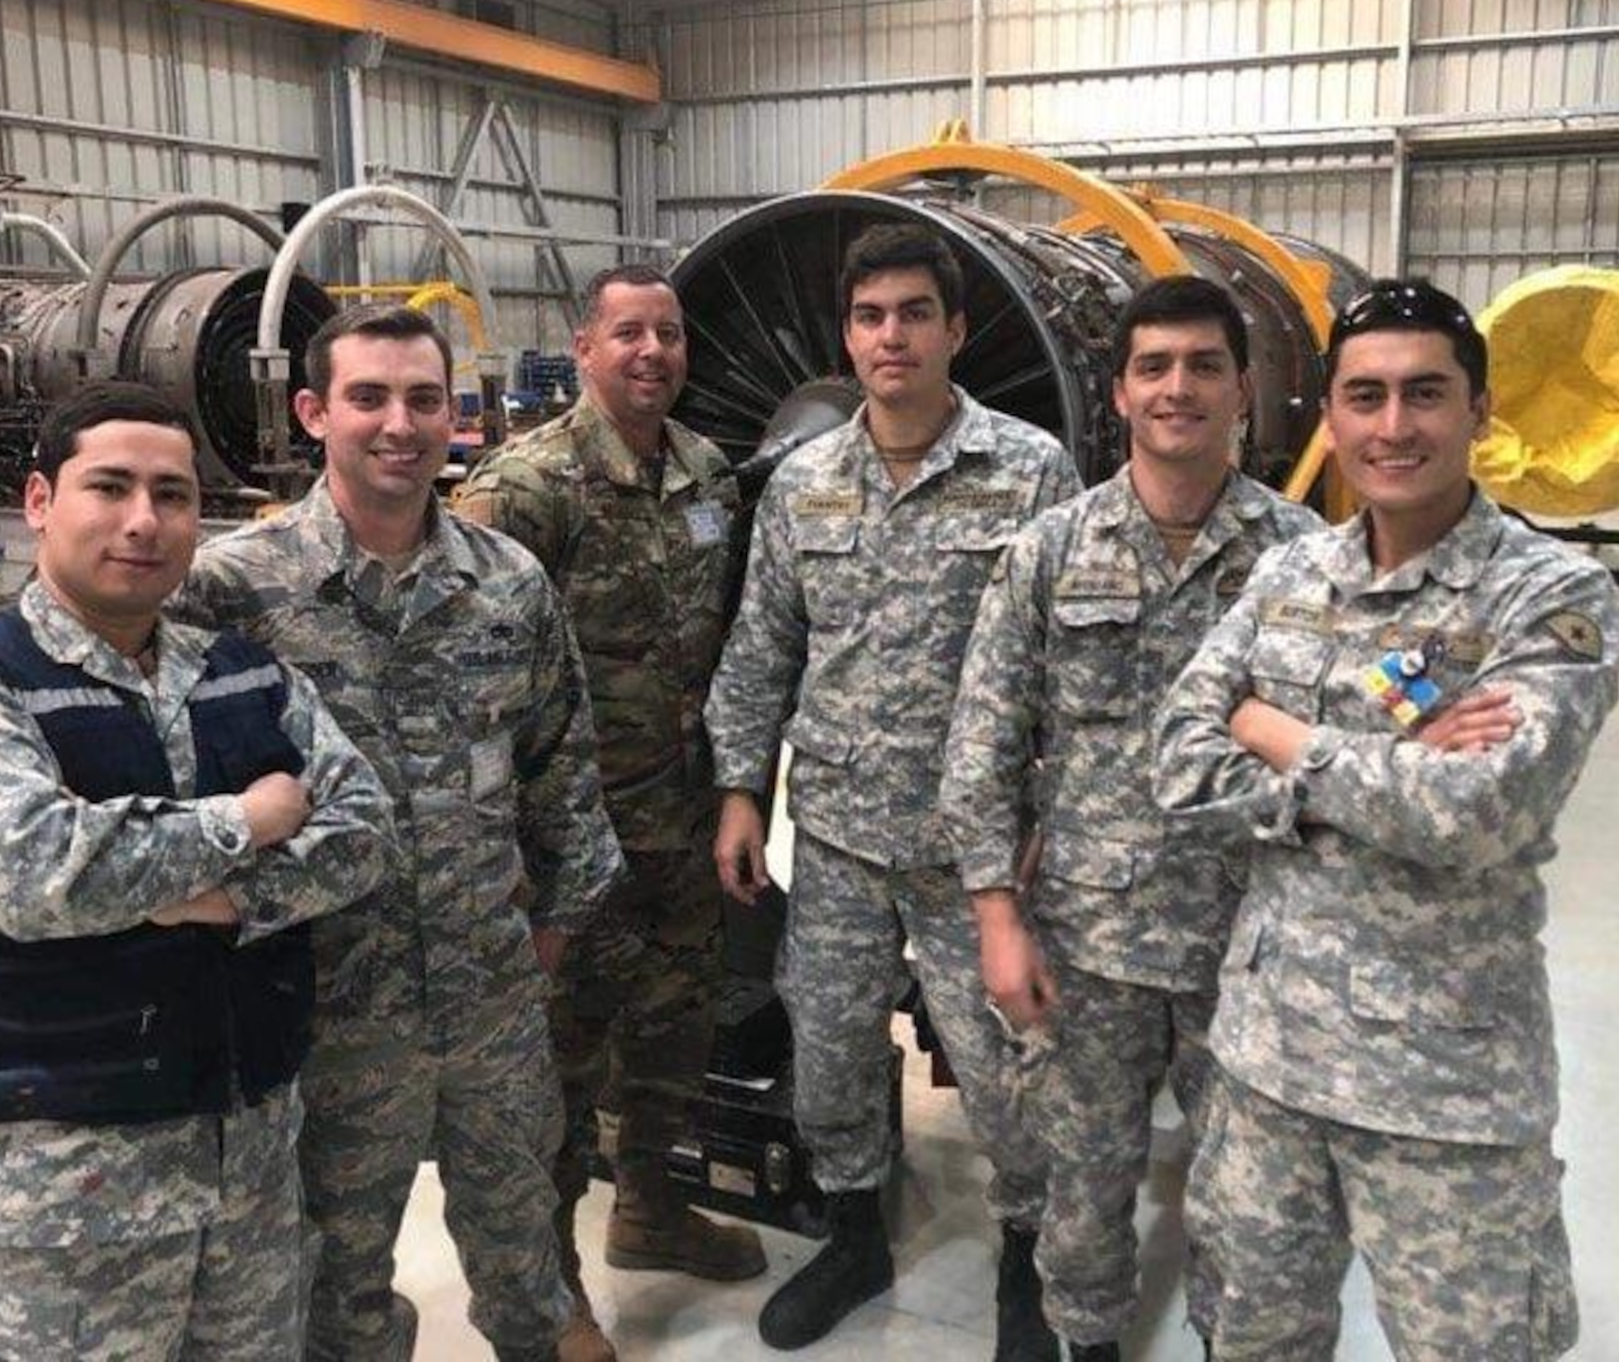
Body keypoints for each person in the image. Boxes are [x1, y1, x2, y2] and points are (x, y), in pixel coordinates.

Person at [0, 382, 392, 1361]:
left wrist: (222, 901)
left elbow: (364, 834)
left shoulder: (245, 673)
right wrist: (248, 819)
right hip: (71, 1210)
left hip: (251, 1186)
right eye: (108, 487)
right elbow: (34, 874)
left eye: (173, 495)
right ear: (38, 502)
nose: (143, 521)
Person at [1152, 279, 1619, 1359]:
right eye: (1362, 397)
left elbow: (1474, 813)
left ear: (1478, 412)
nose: (1391, 426)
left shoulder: (1546, 597)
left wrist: (1275, 733)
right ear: (1329, 418)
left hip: (1444, 1091)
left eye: (1424, 394)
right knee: (1251, 1341)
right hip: (1266, 1068)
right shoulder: (1289, 570)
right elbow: (1176, 760)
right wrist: (1382, 772)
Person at [178, 304, 626, 1362]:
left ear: (455, 416)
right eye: (368, 397)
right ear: (312, 412)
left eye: (424, 399)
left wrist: (547, 933)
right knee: (336, 1276)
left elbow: (563, 769)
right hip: (329, 1006)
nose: (399, 423)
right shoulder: (234, 590)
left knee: (526, 1256)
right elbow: (98, 662)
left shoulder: (506, 584)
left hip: (490, 999)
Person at [706, 222, 1082, 1358]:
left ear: (953, 329)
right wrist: (737, 790)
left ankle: (1026, 1255)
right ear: (846, 335)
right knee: (826, 1048)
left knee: (1006, 1067)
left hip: (973, 856)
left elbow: (1071, 672)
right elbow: (762, 644)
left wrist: (1043, 825)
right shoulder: (802, 483)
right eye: (869, 317)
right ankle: (854, 1231)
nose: (890, 336)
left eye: (914, 313)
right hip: (832, 838)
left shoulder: (1029, 473)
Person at [940, 276, 1321, 1360]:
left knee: (1248, 1208)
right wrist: (995, 916)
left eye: (1204, 365)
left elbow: (1339, 746)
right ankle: (1085, 1344)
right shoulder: (1051, 551)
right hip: (1087, 944)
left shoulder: (1300, 559)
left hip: (1247, 947)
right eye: (1153, 367)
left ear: (1242, 389)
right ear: (1117, 392)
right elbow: (982, 741)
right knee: (1081, 1188)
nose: (1177, 388)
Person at [454, 264, 763, 1362]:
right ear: (582, 348)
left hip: (679, 821)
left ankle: (648, 1214)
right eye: (627, 333)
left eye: (668, 335)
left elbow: (728, 637)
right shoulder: (526, 488)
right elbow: (468, 670)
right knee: (559, 1067)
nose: (651, 353)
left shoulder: (704, 471)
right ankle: (550, 1287)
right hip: (569, 839)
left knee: (674, 1030)